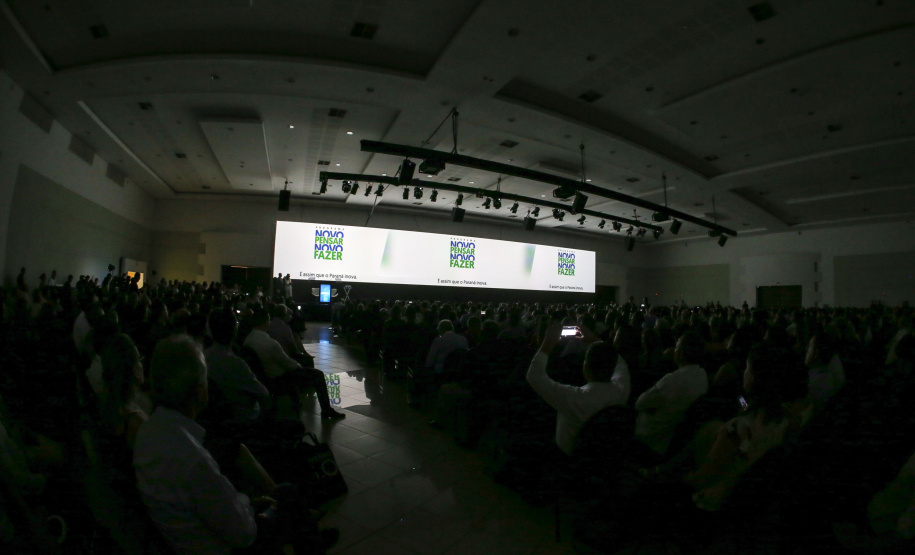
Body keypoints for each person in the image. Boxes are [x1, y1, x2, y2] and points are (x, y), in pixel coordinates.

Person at [133, 335, 337, 554]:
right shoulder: (194, 460)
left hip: (182, 538)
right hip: (224, 546)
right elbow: (245, 534)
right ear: (201, 392)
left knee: (284, 498)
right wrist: (246, 505)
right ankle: (311, 541)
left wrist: (245, 504)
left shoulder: (148, 430)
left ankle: (308, 536)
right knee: (288, 495)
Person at [526, 322, 630, 455]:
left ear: (585, 367)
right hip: (608, 452)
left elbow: (534, 376)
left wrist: (548, 342)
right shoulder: (622, 387)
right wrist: (593, 339)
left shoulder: (574, 398)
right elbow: (619, 362)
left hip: (570, 457)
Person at [244, 308, 345, 419]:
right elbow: (287, 363)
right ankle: (326, 410)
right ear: (265, 321)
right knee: (318, 375)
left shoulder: (248, 340)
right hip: (278, 377)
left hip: (264, 376)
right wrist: (299, 366)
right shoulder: (270, 343)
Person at [634, 331, 709, 457]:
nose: (674, 350)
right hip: (672, 438)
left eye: (677, 347)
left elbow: (639, 404)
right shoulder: (702, 375)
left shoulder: (673, 380)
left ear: (682, 353)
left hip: (651, 438)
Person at [206, 310, 271, 422]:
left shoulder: (203, 356)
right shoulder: (235, 364)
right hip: (241, 418)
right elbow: (263, 393)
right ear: (234, 331)